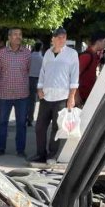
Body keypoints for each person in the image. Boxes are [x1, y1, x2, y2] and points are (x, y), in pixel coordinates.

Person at [32, 27, 79, 163]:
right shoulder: (47, 53)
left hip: (62, 96)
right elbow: (43, 72)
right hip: (46, 96)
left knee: (56, 128)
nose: (61, 39)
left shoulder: (72, 54)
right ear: (53, 39)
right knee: (40, 127)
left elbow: (74, 77)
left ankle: (52, 155)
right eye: (59, 37)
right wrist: (39, 88)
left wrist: (71, 97)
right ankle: (40, 154)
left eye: (64, 37)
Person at [0, 28, 31, 157]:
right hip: (4, 94)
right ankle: (0, 148)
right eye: (15, 34)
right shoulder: (2, 53)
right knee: (2, 122)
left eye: (20, 34)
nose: (18, 37)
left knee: (21, 124)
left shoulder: (27, 54)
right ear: (9, 37)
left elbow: (28, 71)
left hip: (22, 95)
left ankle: (20, 150)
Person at [77, 30, 105, 106]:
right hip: (80, 98)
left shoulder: (93, 56)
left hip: (86, 97)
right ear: (98, 41)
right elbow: (73, 76)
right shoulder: (87, 56)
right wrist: (75, 95)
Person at [27, 41, 44, 126]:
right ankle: (36, 119)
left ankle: (28, 118)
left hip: (29, 79)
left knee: (29, 100)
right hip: (39, 80)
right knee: (39, 101)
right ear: (41, 48)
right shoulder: (42, 58)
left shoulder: (29, 57)